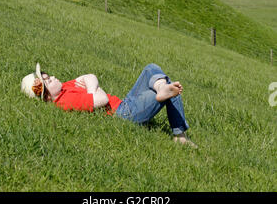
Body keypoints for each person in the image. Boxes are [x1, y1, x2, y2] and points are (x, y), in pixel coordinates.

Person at [21, 63, 197, 147]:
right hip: (124, 114)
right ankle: (180, 137)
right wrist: (94, 92)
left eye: (48, 76)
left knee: (151, 68)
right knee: (172, 86)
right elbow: (103, 99)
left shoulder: (64, 87)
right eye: (48, 81)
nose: (53, 77)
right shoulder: (66, 101)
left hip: (124, 102)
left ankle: (160, 88)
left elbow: (90, 76)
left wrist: (92, 89)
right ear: (47, 97)